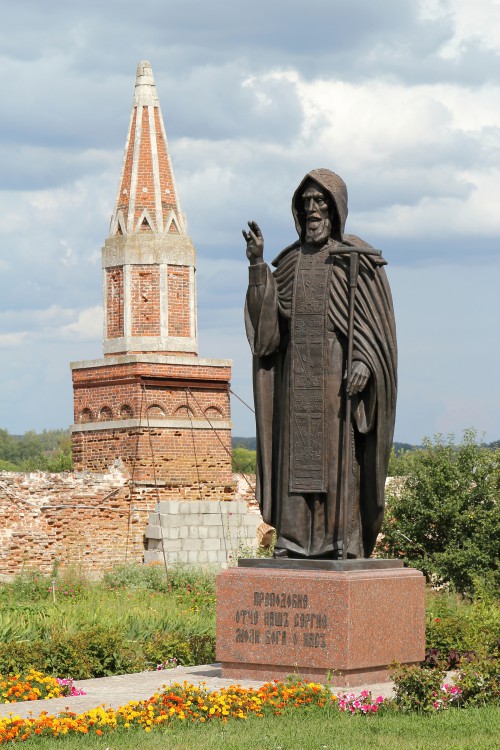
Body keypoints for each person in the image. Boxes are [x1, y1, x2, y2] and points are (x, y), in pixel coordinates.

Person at [243, 168, 397, 559]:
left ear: (335, 208)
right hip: (296, 379)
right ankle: (293, 541)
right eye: (305, 202)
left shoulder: (355, 259)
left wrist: (365, 361)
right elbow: (267, 336)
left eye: (320, 201)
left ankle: (337, 542)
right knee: (298, 458)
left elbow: (376, 333)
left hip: (337, 380)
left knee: (336, 461)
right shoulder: (289, 263)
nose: (312, 209)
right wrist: (258, 267)